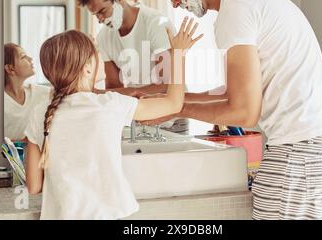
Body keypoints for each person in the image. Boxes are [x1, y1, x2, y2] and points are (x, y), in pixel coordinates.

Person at [144, 0, 322, 220]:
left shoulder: (236, 11)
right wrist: (170, 99)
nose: (175, 4)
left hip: (304, 148)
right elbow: (236, 93)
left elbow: (243, 111)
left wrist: (175, 107)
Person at [24, 23, 202, 220]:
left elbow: (34, 186)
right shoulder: (109, 105)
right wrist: (178, 54)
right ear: (87, 68)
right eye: (97, 53)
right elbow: (173, 104)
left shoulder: (40, 113)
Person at [78, 0, 189, 134]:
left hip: (171, 119)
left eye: (102, 11)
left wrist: (101, 93)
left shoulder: (155, 23)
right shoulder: (104, 37)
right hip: (138, 119)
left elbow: (167, 85)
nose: (100, 20)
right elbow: (115, 88)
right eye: (96, 15)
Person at [4, 43, 51, 141]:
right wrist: (26, 141)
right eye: (23, 57)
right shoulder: (0, 102)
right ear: (10, 68)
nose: (30, 59)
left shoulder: (39, 92)